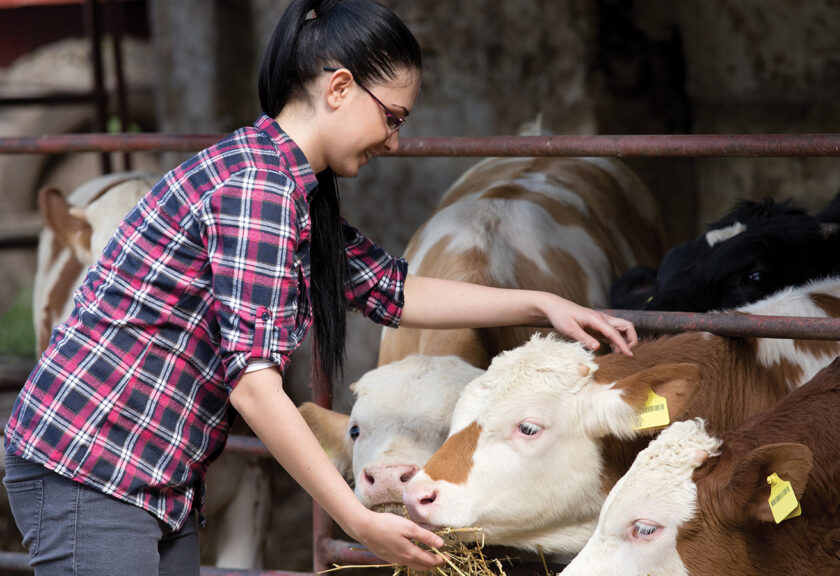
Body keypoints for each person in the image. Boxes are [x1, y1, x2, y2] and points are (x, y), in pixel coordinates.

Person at [3, 0, 637, 574]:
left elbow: (395, 291)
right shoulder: (259, 190)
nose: (395, 140)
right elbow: (254, 386)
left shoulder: (290, 190)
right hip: (92, 465)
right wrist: (358, 520)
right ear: (339, 88)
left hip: (153, 475)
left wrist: (540, 302)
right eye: (391, 117)